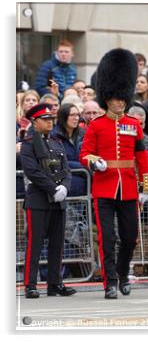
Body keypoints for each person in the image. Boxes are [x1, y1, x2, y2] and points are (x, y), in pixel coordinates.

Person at [79, 49, 148, 299]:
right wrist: (95, 162)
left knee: (130, 238)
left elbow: (141, 158)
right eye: (114, 99)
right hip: (104, 188)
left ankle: (122, 273)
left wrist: (145, 188)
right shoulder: (97, 125)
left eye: (122, 99)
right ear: (106, 98)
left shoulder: (133, 125)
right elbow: (85, 153)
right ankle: (110, 281)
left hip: (129, 189)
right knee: (107, 238)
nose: (118, 102)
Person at [20, 103, 76, 299]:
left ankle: (55, 283)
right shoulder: (28, 144)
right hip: (39, 200)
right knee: (35, 245)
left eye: (51, 119)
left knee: (57, 244)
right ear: (35, 122)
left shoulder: (57, 143)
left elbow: (67, 170)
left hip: (58, 201)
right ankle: (31, 285)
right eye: (45, 119)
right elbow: (32, 171)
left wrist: (65, 188)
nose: (50, 122)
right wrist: (53, 189)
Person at [51, 103, 87, 197]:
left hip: (84, 183)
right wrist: (83, 167)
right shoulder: (53, 136)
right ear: (63, 116)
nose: (76, 118)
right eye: (72, 115)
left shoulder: (83, 134)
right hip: (64, 184)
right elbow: (57, 162)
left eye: (77, 115)